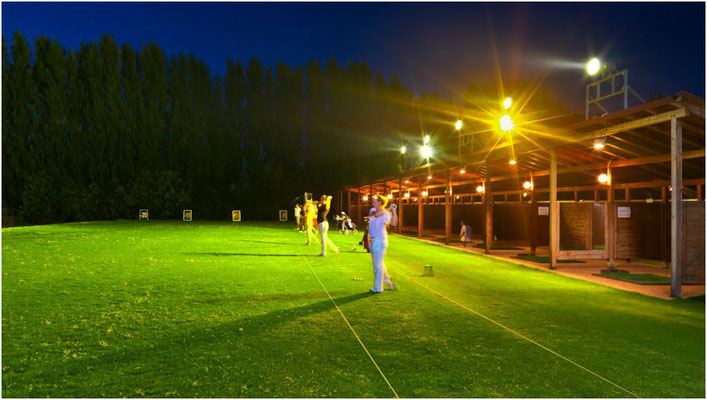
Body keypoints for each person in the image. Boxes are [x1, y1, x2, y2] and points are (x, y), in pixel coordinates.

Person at [368, 194, 398, 293]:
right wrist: (388, 209)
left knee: (377, 265)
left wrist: (394, 211)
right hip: (372, 240)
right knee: (379, 263)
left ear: (380, 202)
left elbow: (394, 223)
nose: (373, 204)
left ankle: (378, 288)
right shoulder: (373, 211)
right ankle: (388, 281)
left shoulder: (387, 213)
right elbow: (376, 215)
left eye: (375, 202)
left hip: (380, 241)